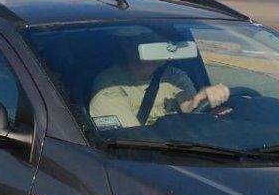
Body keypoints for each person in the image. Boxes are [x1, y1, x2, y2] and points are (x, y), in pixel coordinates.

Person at [89, 33, 230, 128]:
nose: (164, 43)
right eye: (153, 38)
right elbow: (137, 140)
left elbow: (189, 107)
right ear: (126, 44)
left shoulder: (173, 76)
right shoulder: (108, 86)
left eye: (164, 38)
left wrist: (203, 101)